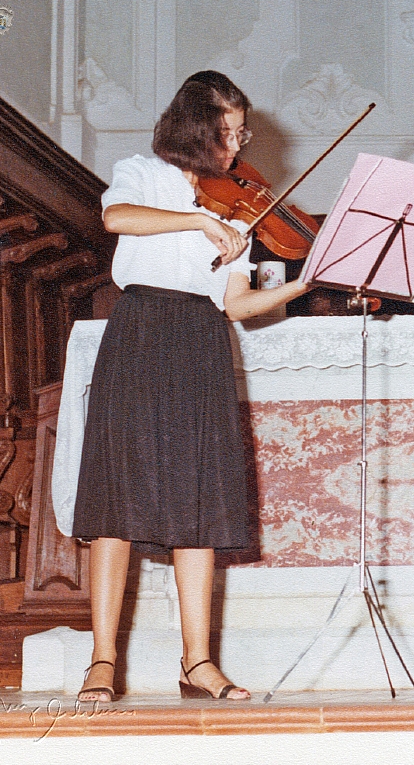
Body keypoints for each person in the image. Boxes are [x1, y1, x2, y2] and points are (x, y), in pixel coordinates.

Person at [73, 71, 310, 702]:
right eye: (225, 133)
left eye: (241, 132)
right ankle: (102, 661)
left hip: (203, 338)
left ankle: (198, 662)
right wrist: (196, 222)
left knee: (198, 503)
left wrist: (297, 288)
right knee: (118, 501)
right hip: (143, 327)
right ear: (193, 129)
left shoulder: (241, 199)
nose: (235, 146)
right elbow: (115, 216)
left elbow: (235, 303)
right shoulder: (142, 172)